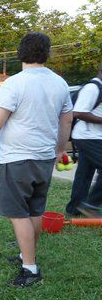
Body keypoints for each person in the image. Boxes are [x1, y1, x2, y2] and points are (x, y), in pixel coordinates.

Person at [0, 32, 73, 287]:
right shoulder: (60, 83)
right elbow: (67, 120)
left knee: (18, 214)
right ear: (47, 53)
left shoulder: (15, 84)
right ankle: (26, 256)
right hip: (44, 158)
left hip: (17, 158)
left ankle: (30, 269)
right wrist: (60, 150)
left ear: (21, 53)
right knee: (34, 210)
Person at [65, 62, 102, 218]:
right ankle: (91, 205)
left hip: (94, 137)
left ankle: (75, 208)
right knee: (85, 173)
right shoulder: (92, 88)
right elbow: (78, 112)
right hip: (87, 137)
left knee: (85, 173)